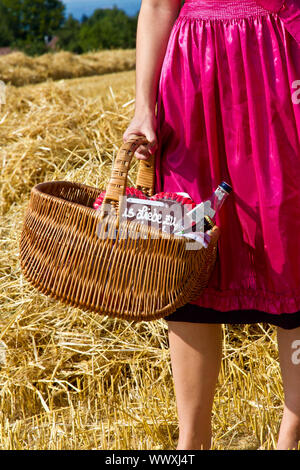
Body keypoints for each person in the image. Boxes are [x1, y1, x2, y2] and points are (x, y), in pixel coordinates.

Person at [123, 0, 300, 450]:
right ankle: (192, 443)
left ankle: (292, 433)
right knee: (189, 247)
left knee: (292, 242)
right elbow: (159, 4)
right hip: (193, 78)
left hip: (282, 56)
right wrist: (144, 107)